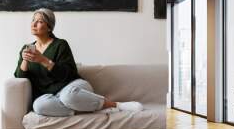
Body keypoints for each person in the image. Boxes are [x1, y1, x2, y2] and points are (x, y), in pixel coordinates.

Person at [14, 8, 143, 117]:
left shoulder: (60, 44)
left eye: (40, 21)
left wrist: (43, 60)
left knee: (67, 97)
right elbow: (20, 78)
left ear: (49, 27)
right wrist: (25, 60)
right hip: (51, 96)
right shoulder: (26, 49)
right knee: (39, 106)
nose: (34, 24)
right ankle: (91, 108)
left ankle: (117, 105)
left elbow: (68, 74)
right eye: (33, 20)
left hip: (73, 88)